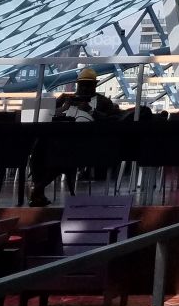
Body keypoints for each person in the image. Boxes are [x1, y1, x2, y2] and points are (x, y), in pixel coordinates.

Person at [28, 69, 119, 205]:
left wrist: (91, 111)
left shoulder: (104, 102)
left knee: (61, 153)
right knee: (40, 147)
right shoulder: (66, 99)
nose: (84, 88)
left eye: (88, 85)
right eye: (81, 84)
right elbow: (45, 116)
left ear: (95, 85)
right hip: (58, 140)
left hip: (87, 144)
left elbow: (112, 121)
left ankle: (38, 189)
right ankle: (38, 190)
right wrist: (61, 107)